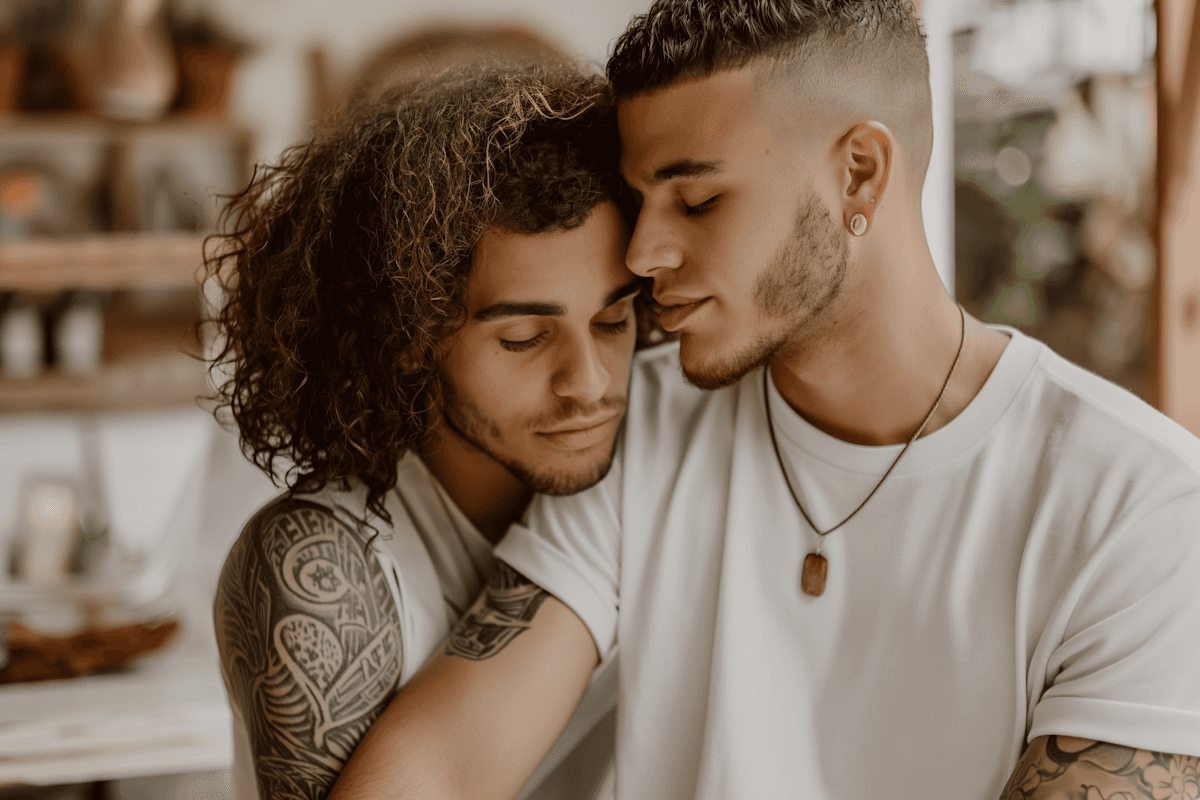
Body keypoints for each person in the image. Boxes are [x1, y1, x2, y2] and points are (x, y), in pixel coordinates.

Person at [324, 2, 1200, 799]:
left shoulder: (1143, 508)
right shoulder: (644, 427)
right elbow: (441, 762)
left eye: (698, 200)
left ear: (859, 173)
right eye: (640, 201)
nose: (642, 253)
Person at [206, 59, 655, 800]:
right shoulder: (324, 572)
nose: (592, 382)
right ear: (410, 336)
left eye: (613, 320)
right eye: (523, 340)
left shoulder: (670, 457)